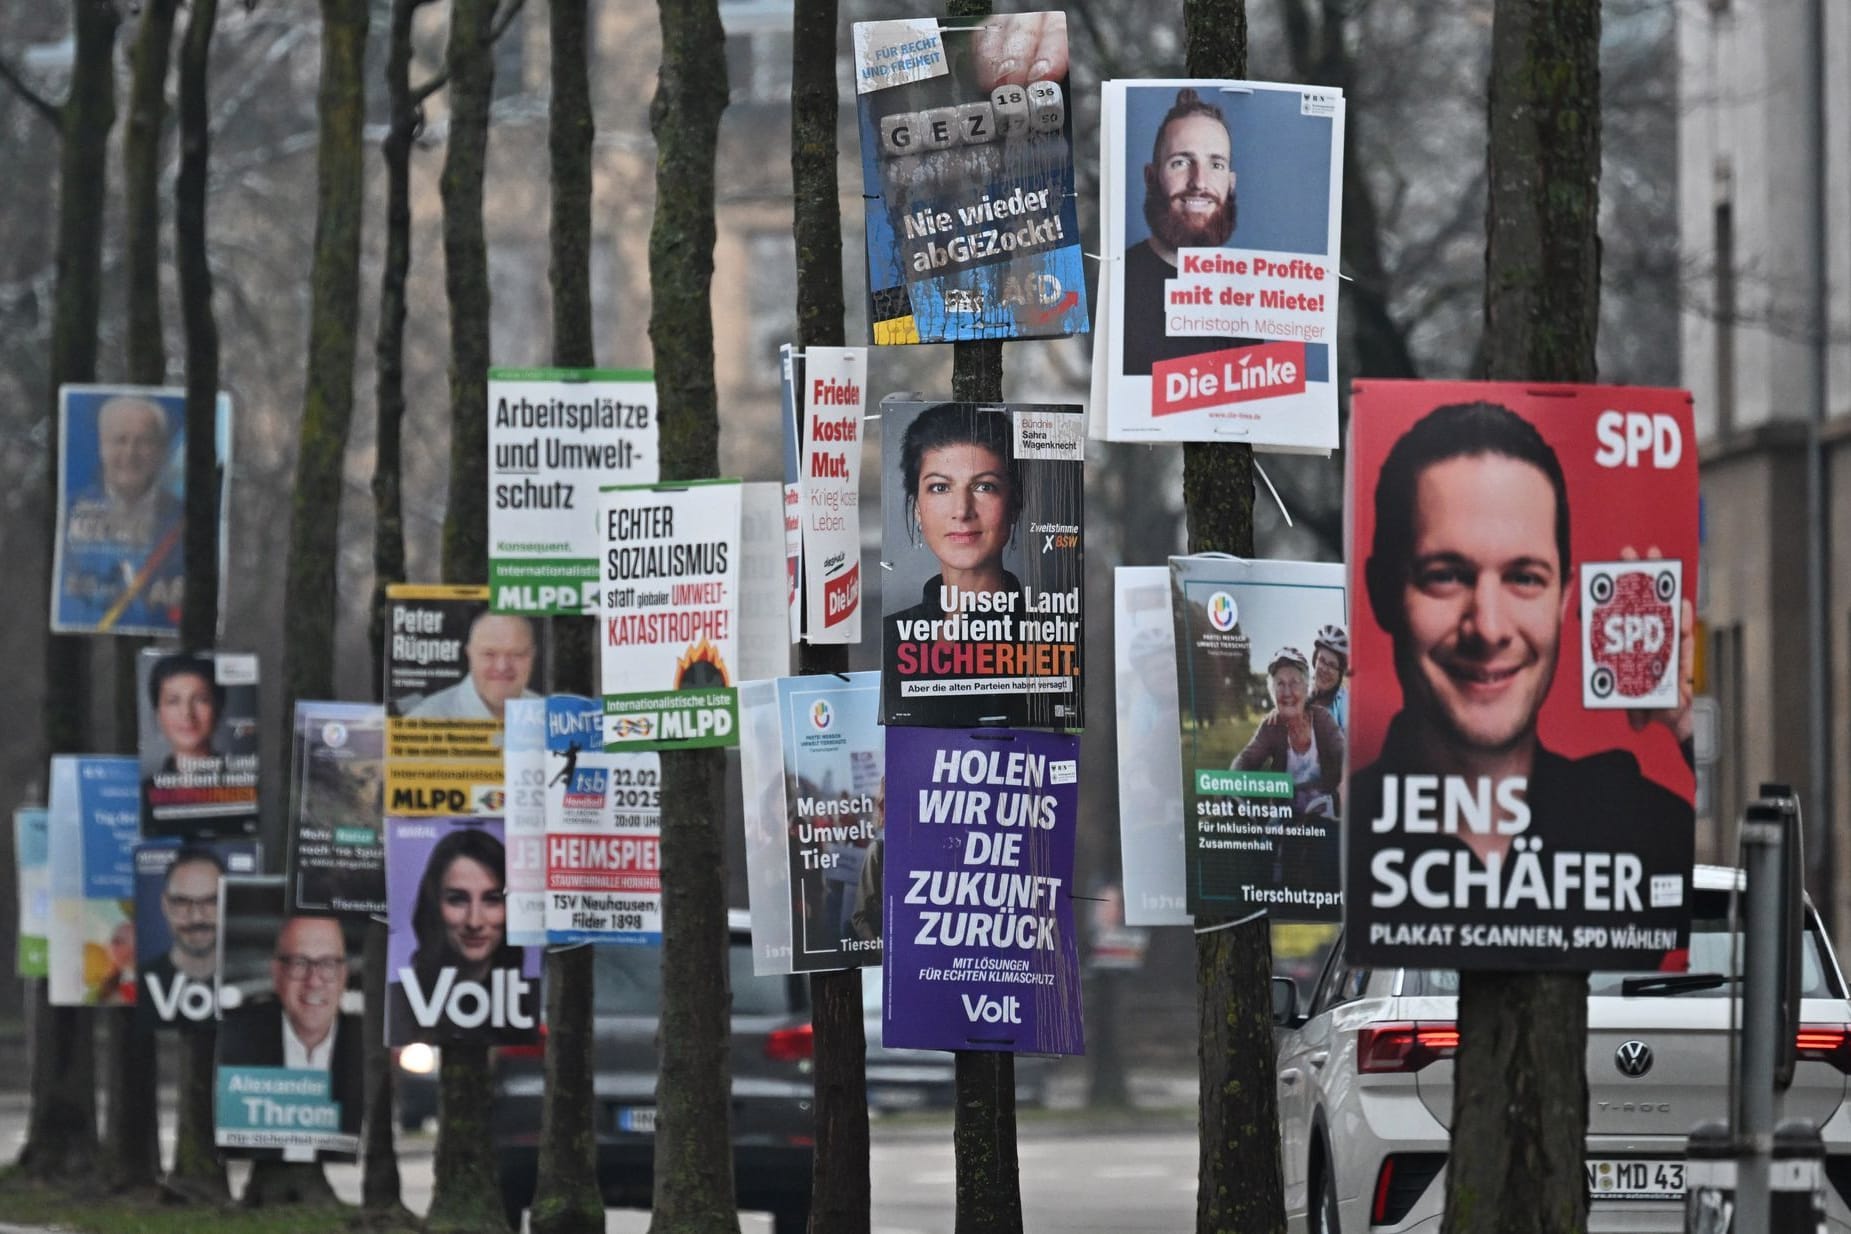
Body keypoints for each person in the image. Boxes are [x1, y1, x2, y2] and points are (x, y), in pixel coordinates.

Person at [1351, 401, 1692, 904]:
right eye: (1446, 576)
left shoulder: (1642, 821)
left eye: (1524, 578)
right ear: (1382, 593)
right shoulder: (1342, 830)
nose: (1487, 628)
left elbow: (1763, 891)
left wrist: (1683, 722)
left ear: (1565, 599)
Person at [883, 404, 1029, 725]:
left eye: (984, 486)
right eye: (940, 487)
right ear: (917, 509)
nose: (962, 511)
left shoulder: (1045, 635)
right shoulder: (891, 636)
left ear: (1014, 504)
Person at [1120, 88, 1257, 376]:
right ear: (1150, 177)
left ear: (1231, 183)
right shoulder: (1118, 281)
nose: (1199, 182)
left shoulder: (1249, 296)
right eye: (1181, 162)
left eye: (1216, 164)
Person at [218, 915, 364, 1154]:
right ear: (277, 973)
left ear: (344, 975)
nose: (314, 980)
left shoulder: (366, 1049)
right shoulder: (235, 1042)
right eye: (299, 963)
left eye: (327, 964)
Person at [388, 828, 532, 1044]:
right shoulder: (399, 1003)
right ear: (434, 905)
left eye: (492, 899)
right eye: (457, 899)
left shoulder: (533, 1003)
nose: (474, 922)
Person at [57, 394, 186, 631]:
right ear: (102, 447)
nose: (130, 453)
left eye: (144, 441)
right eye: (120, 440)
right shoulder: (67, 513)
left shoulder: (185, 520)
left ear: (160, 451)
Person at [1231, 647, 1343, 818]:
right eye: (1280, 684)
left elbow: (1346, 757)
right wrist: (1231, 788)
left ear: (1306, 687)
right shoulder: (1271, 726)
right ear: (1272, 691)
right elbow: (1246, 760)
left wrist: (1341, 792)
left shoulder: (1322, 719)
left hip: (1324, 819)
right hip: (1285, 821)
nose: (1287, 692)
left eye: (1294, 682)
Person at [407, 612, 538, 722]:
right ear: (469, 655)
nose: (502, 667)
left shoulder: (546, 714)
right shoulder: (425, 718)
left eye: (516, 654)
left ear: (532, 656)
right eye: (489, 654)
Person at [139, 847, 224, 1008]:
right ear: (165, 905)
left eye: (211, 901)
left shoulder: (250, 984)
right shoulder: (139, 986)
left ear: (228, 900)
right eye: (182, 902)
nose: (197, 917)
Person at [147, 653, 223, 764]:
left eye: (200, 699)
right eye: (173, 701)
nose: (187, 713)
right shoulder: (148, 781)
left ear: (217, 708)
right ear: (158, 713)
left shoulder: (244, 780)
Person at [1309, 624, 1349, 733]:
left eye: (1332, 665)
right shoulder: (1302, 696)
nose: (1325, 669)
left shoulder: (1344, 703)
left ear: (1340, 673)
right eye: (1322, 661)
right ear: (1314, 661)